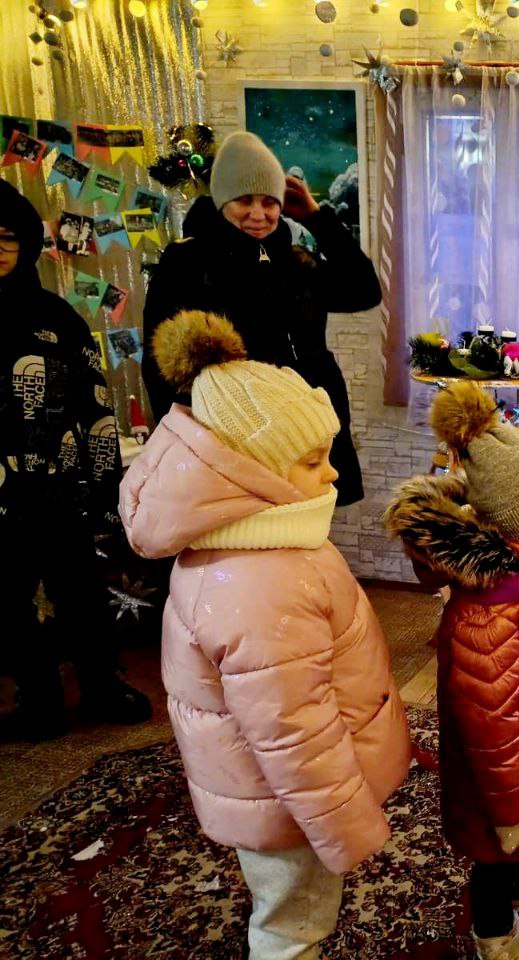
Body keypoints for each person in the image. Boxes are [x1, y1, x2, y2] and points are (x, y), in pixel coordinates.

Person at [119, 310, 411, 960]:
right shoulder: (261, 582)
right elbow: (293, 730)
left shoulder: (256, 545)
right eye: (311, 460)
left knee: (289, 910)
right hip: (288, 807)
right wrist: (344, 824)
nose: (332, 473)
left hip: (271, 794)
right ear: (250, 472)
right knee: (292, 927)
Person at [384, 381, 519, 960]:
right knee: (495, 856)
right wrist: (510, 809)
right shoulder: (487, 618)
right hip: (501, 782)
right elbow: (491, 729)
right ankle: (497, 939)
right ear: (517, 527)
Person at [142, 131, 380, 506]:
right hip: (238, 437)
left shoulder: (294, 260)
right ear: (222, 200)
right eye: (244, 200)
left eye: (270, 201)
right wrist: (188, 446)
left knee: (307, 528)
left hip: (305, 433)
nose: (259, 214)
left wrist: (316, 218)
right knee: (250, 532)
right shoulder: (187, 262)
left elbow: (364, 291)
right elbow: (159, 366)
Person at [0, 178, 151, 739]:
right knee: (7, 603)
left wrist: (104, 483)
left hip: (59, 488)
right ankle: (37, 699)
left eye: (7, 237)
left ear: (24, 245)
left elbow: (94, 404)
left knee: (81, 594)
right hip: (0, 498)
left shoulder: (57, 317)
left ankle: (101, 686)